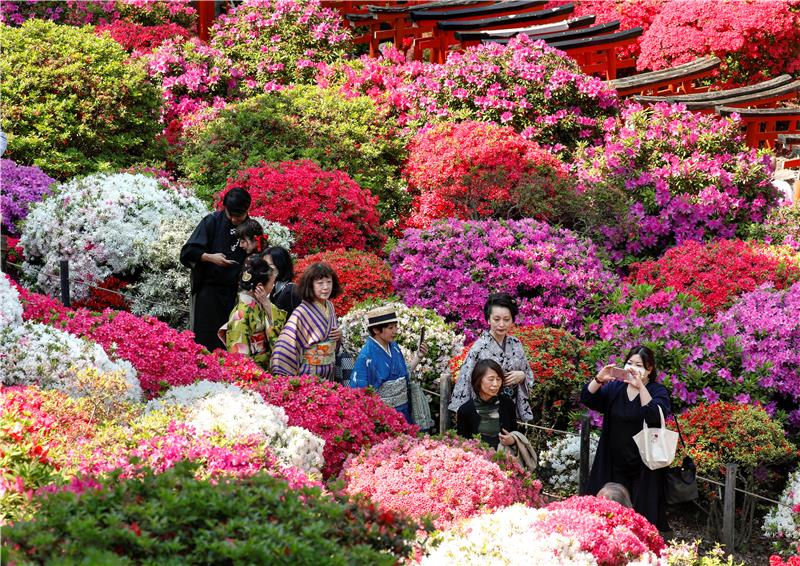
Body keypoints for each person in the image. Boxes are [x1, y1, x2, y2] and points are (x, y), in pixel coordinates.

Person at [581, 345, 671, 532]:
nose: (632, 367)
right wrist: (599, 379)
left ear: (649, 369)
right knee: (607, 507)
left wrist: (641, 387)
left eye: (639, 365)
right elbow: (588, 398)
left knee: (641, 513)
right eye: (629, 362)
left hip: (644, 463)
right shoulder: (615, 387)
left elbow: (654, 415)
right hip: (614, 459)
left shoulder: (657, 391)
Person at [180, 188, 251, 352]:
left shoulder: (251, 228)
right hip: (209, 291)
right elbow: (187, 252)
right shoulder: (212, 221)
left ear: (247, 210)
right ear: (224, 208)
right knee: (205, 339)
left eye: (238, 216)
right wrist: (210, 257)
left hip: (237, 295)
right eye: (230, 214)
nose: (234, 219)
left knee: (232, 340)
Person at [449, 293, 534, 421]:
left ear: (512, 320)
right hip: (486, 409)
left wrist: (522, 376)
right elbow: (466, 379)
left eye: (506, 319)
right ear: (488, 319)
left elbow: (527, 373)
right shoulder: (479, 347)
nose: (501, 324)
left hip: (511, 407)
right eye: (496, 319)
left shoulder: (516, 344)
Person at [348, 305, 427, 424]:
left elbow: (404, 373)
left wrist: (419, 356)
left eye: (396, 326)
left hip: (403, 410)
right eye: (391, 328)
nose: (395, 331)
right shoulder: (366, 356)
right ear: (376, 330)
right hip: (382, 416)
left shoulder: (394, 346)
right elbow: (359, 392)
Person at [270, 262, 341, 380]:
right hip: (309, 373)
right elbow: (286, 343)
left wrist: (339, 335)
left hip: (329, 370)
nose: (326, 287)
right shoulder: (301, 312)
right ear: (310, 285)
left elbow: (333, 340)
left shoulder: (330, 306)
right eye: (320, 283)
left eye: (329, 282)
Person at [218, 256, 287, 369]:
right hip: (254, 372)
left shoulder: (261, 303)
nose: (273, 286)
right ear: (260, 286)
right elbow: (239, 357)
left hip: (265, 369)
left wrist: (266, 303)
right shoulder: (241, 313)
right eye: (272, 283)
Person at [456, 359, 518, 450]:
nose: (496, 384)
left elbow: (515, 431)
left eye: (498, 379)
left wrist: (512, 440)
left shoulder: (507, 404)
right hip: (477, 460)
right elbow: (462, 443)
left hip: (504, 459)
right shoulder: (465, 410)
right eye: (491, 379)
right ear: (478, 380)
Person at [262, 246, 302, 317]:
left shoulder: (290, 291)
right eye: (264, 265)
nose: (265, 269)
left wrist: (264, 300)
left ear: (281, 265)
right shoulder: (276, 288)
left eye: (270, 265)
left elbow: (282, 320)